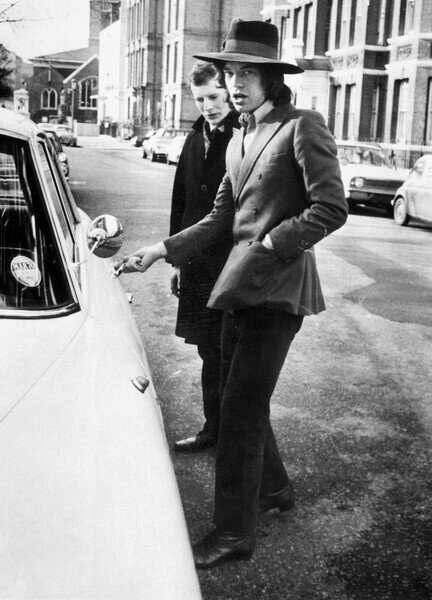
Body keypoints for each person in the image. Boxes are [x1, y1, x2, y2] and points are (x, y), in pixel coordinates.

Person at [121, 19, 348, 569]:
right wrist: (161, 250)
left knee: (240, 412)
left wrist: (275, 239)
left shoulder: (302, 126)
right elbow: (221, 216)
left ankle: (232, 534)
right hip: (236, 287)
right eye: (231, 71)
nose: (237, 82)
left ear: (272, 77)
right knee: (237, 395)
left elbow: (331, 207)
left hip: (277, 289)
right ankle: (273, 491)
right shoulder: (240, 135)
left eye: (248, 72)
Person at [170, 61, 240, 453]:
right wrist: (178, 259)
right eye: (200, 100)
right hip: (196, 264)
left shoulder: (243, 136)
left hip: (229, 263)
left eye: (214, 96)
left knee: (226, 352)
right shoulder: (194, 137)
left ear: (227, 92)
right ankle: (214, 429)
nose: (208, 106)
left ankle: (228, 434)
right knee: (205, 349)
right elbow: (181, 201)